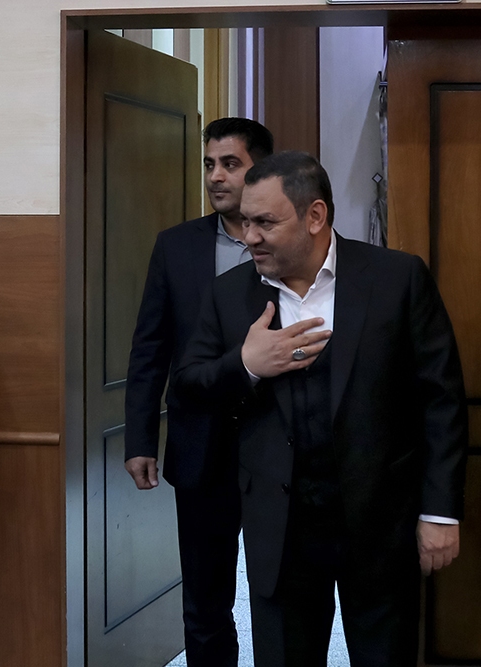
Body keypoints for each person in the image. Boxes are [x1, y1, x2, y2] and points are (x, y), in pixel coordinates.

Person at [173, 151, 466, 667]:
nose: (249, 237)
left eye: (265, 223)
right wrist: (246, 365)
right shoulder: (228, 295)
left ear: (314, 216)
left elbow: (440, 402)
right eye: (245, 221)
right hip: (279, 529)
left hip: (379, 524)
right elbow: (189, 386)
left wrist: (439, 512)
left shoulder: (397, 279)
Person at [124, 117, 273, 666]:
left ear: (262, 170)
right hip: (199, 443)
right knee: (206, 599)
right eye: (209, 164)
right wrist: (140, 439)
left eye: (230, 164)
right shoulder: (176, 246)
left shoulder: (289, 242)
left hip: (277, 444)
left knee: (278, 591)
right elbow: (150, 347)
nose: (215, 176)